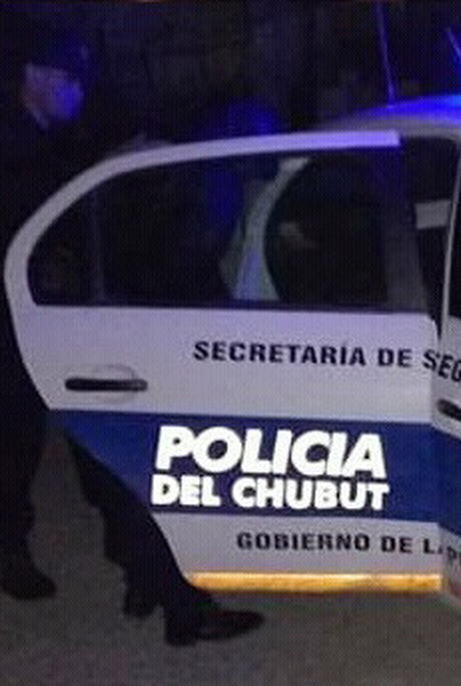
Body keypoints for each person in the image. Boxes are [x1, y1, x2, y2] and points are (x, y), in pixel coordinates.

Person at [0, 22, 263, 645]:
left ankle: (154, 586)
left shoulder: (56, 135)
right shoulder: (14, 144)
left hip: (68, 323)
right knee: (25, 449)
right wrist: (105, 170)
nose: (79, 93)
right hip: (23, 330)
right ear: (33, 77)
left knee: (108, 464)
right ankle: (22, 553)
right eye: (69, 80)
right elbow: (41, 212)